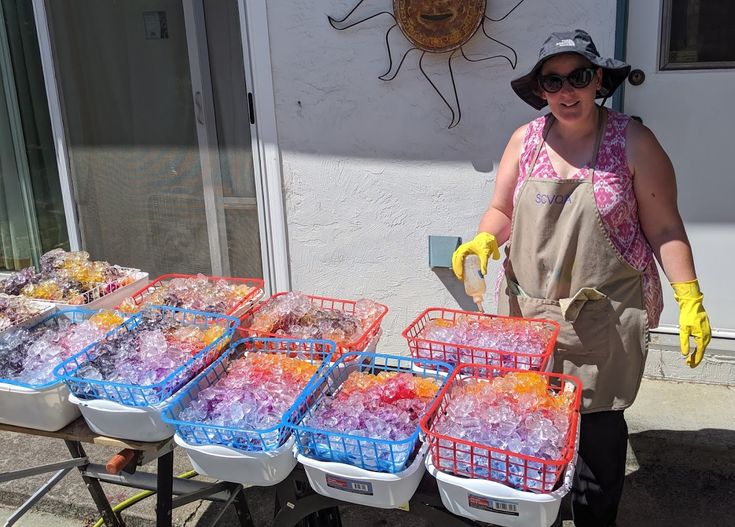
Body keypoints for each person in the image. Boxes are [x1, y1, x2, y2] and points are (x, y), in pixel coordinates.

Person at [451, 29, 712, 526]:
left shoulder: (633, 141)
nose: (566, 91)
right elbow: (502, 209)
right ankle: (539, 510)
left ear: (598, 82)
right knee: (529, 420)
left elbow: (664, 226)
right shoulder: (524, 141)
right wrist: (485, 238)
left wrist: (689, 297)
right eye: (554, 81)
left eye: (579, 77)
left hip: (604, 315)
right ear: (541, 89)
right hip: (528, 313)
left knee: (598, 430)